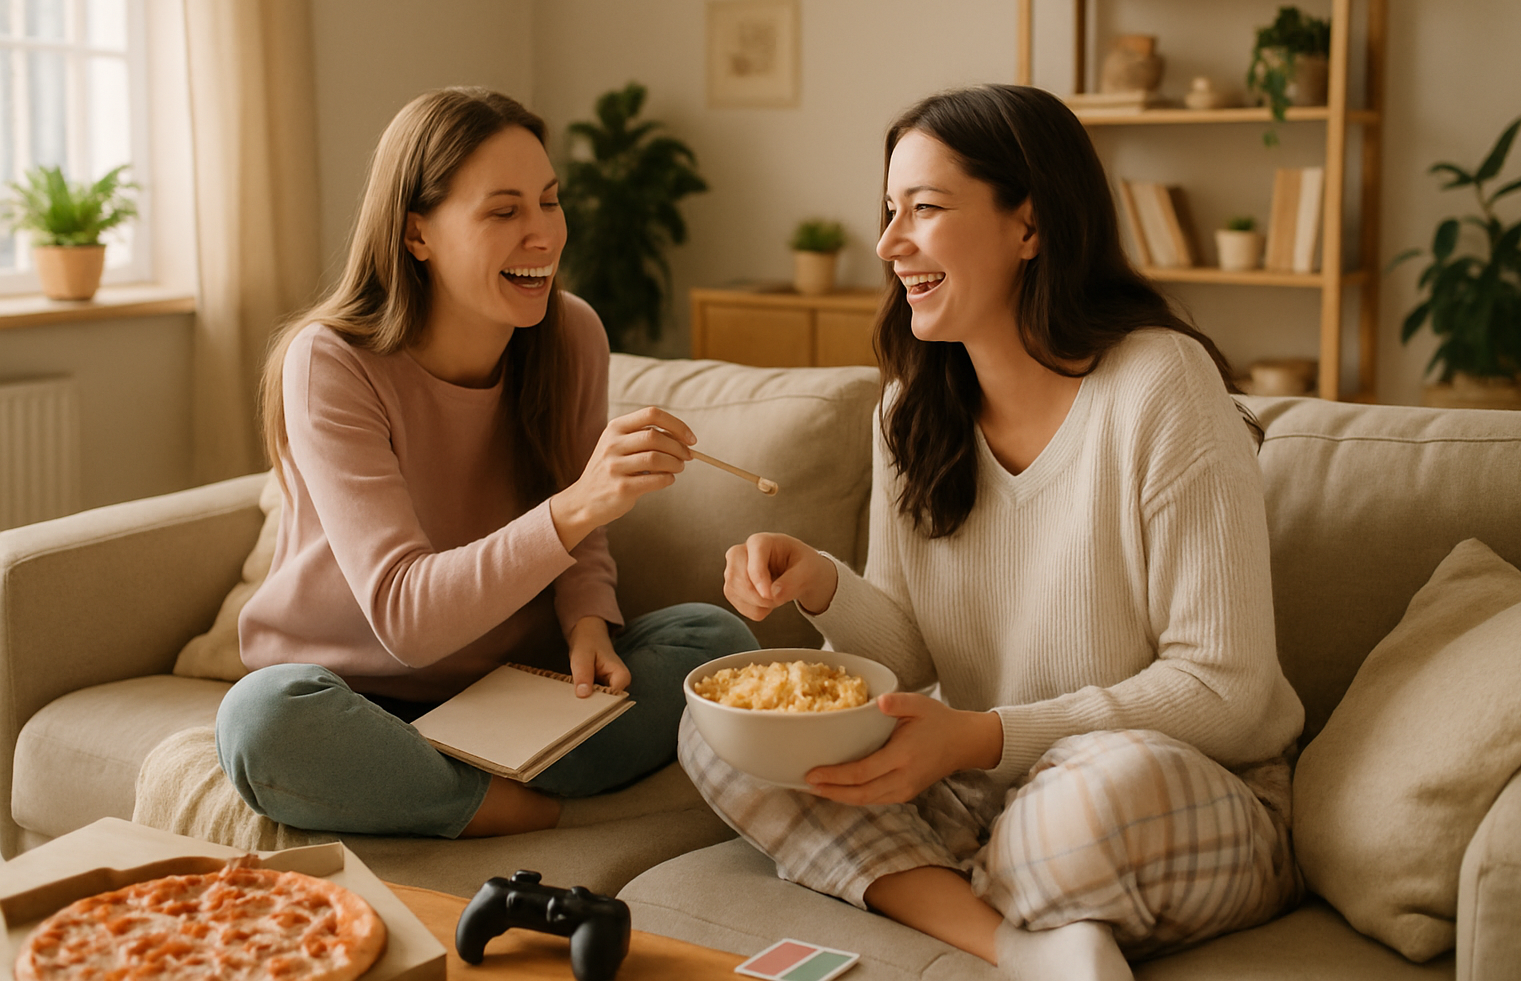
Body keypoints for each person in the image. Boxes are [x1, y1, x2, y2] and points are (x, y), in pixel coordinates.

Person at [683, 84, 1305, 979]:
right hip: (976, 796)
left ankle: (941, 881)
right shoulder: (909, 407)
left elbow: (1228, 689)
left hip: (1179, 793)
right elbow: (911, 645)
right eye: (889, 211)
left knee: (1090, 806)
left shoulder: (1160, 385)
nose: (890, 244)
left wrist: (976, 737)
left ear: (1030, 224)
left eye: (925, 209)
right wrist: (820, 581)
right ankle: (1013, 938)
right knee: (717, 731)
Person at [216, 86, 757, 840]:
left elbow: (579, 546)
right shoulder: (332, 362)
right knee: (261, 724)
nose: (542, 236)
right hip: (352, 695)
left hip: (509, 693)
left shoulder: (571, 335)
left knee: (715, 644)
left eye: (549, 202)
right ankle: (499, 803)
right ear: (417, 235)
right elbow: (407, 621)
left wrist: (589, 623)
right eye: (503, 212)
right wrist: (582, 503)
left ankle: (423, 792)